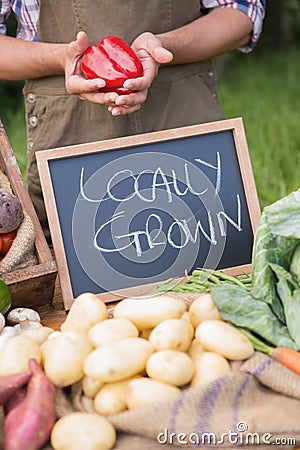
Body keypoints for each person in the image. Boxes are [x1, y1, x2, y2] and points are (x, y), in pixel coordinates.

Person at [0, 1, 266, 240]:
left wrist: (165, 45)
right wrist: (59, 58)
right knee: (76, 280)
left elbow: (242, 12)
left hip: (185, 117)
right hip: (68, 134)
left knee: (212, 264)